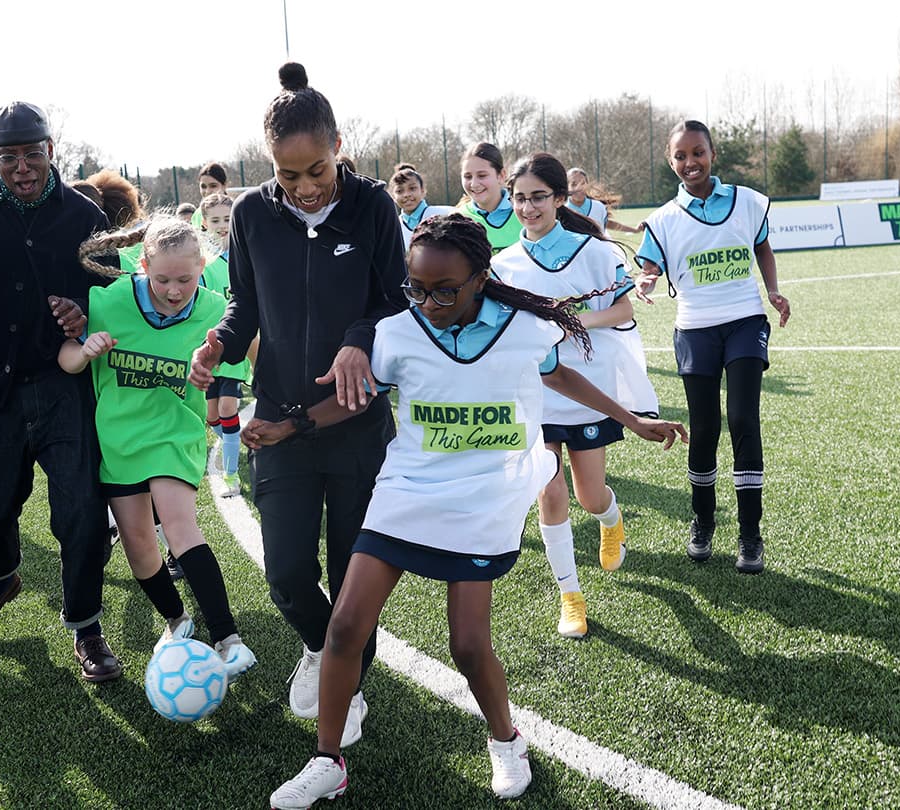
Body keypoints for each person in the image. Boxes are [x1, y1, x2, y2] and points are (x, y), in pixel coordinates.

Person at [264, 214, 686, 808]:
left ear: (481, 279)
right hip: (408, 487)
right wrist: (293, 424)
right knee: (344, 626)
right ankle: (327, 759)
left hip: (486, 491)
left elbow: (559, 374)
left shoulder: (526, 329)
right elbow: (354, 399)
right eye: (416, 287)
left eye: (445, 289)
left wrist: (634, 420)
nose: (428, 301)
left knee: (467, 643)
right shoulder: (396, 333)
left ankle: (505, 739)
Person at [189, 62, 405, 745]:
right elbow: (243, 302)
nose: (306, 188)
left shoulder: (374, 207)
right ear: (268, 166)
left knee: (352, 581)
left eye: (317, 170)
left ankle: (350, 682)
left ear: (338, 145)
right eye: (289, 176)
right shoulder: (251, 213)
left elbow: (397, 301)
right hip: (277, 423)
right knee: (285, 572)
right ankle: (324, 649)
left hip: (357, 425)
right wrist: (219, 343)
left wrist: (358, 341)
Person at [0, 101, 125, 681]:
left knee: (83, 513)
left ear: (51, 152)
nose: (22, 167)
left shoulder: (85, 216)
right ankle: (0, 577)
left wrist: (80, 311)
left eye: (32, 154)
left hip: (63, 387)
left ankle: (86, 626)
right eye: (8, 157)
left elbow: (109, 298)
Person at [64, 216, 256, 677]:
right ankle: (177, 620)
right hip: (118, 437)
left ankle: (230, 641)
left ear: (203, 268)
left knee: (179, 523)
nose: (174, 289)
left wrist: (214, 375)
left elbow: (249, 352)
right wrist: (86, 350)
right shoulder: (106, 301)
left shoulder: (214, 312)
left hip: (175, 434)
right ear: (143, 265)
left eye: (185, 279)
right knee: (137, 544)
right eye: (162, 278)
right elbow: (67, 360)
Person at [493, 153, 658, 639]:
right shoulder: (502, 265)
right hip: (535, 388)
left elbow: (624, 308)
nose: (527, 207)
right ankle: (570, 595)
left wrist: (574, 320)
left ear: (560, 199)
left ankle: (611, 519)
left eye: (538, 197)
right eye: (519, 198)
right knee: (549, 489)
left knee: (589, 495)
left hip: (587, 384)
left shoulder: (595, 252)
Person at [635, 120, 791, 574]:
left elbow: (762, 247)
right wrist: (646, 279)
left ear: (712, 153)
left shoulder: (747, 201)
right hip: (695, 330)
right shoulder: (662, 220)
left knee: (743, 418)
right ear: (671, 162)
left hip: (745, 322)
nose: (690, 163)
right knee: (704, 429)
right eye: (680, 156)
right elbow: (650, 265)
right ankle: (702, 521)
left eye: (697, 152)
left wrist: (773, 290)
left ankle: (750, 534)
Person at [196, 192, 251, 495]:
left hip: (234, 350)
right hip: (209, 350)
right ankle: (235, 439)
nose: (222, 225)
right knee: (212, 416)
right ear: (204, 224)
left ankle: (231, 478)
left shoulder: (245, 258)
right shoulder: (203, 266)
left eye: (228, 219)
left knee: (229, 408)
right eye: (215, 220)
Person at [457, 142, 521, 254]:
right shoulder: (458, 220)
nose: (474, 184)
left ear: (501, 175)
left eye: (482, 176)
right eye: (468, 177)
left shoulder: (527, 212)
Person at [388, 163, 454, 250]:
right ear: (393, 196)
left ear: (423, 190)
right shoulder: (394, 228)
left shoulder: (445, 214)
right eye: (400, 191)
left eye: (412, 188)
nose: (406, 194)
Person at [565, 167, 641, 234]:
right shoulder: (562, 212)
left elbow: (607, 224)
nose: (579, 188)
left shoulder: (598, 207)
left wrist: (634, 230)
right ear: (567, 187)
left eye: (582, 183)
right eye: (574, 184)